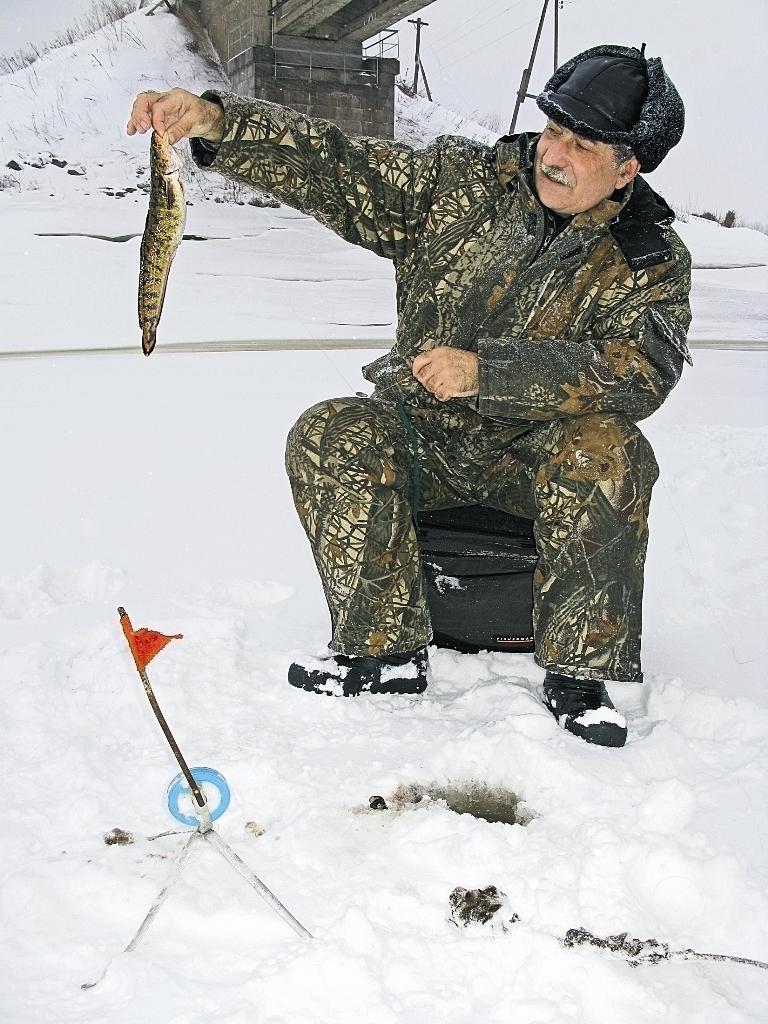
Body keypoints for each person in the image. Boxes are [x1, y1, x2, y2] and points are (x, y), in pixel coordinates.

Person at [127, 44, 691, 748]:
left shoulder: (651, 258)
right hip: (425, 436)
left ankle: (578, 675)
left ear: (626, 169)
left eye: (582, 146)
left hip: (536, 457)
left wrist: (490, 371)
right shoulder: (459, 185)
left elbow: (642, 370)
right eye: (552, 131)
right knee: (331, 431)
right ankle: (384, 651)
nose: (555, 153)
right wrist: (217, 122)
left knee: (612, 450)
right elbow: (338, 166)